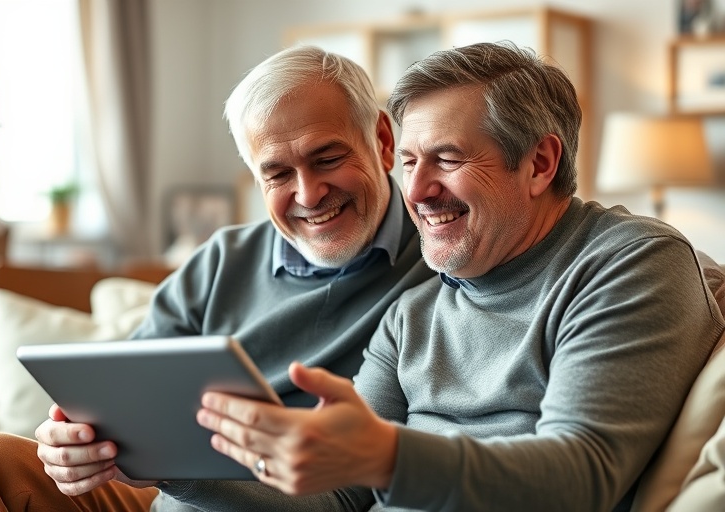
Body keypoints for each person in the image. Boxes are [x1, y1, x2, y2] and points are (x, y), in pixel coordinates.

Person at [194, 41, 725, 511]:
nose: (417, 192)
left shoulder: (629, 264)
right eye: (407, 163)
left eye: (446, 159)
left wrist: (385, 457)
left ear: (539, 163)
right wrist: (176, 470)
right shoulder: (412, 313)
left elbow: (582, 475)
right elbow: (336, 498)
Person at [0, 45, 435, 511]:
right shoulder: (224, 259)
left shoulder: (439, 262)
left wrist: (175, 473)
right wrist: (73, 442)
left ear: (383, 141)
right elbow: (121, 397)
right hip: (164, 498)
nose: (307, 193)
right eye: (277, 174)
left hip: (268, 502)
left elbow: (346, 491)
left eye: (327, 159)